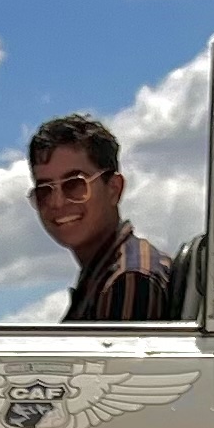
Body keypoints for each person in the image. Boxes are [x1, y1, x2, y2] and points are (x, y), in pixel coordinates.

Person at [27, 115, 173, 321]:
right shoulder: (99, 277)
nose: (57, 202)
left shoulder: (129, 279)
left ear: (114, 189)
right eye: (45, 190)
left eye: (75, 184)